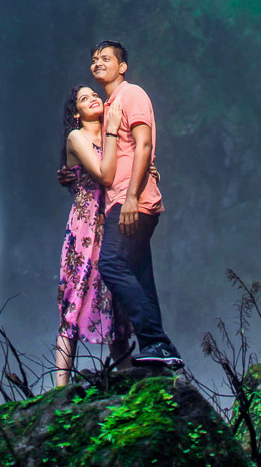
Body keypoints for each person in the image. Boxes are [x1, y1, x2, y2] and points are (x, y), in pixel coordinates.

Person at [89, 40, 181, 369]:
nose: (98, 63)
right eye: (94, 60)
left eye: (106, 58)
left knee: (111, 264)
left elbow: (144, 145)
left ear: (122, 66)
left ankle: (156, 340)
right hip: (124, 199)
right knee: (141, 276)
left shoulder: (132, 94)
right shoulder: (109, 106)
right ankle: (160, 353)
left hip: (132, 201)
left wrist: (130, 197)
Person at [54, 84, 117, 386]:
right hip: (85, 228)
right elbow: (104, 174)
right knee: (75, 297)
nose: (93, 98)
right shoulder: (76, 137)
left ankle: (129, 376)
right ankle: (59, 391)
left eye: (94, 95)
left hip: (111, 224)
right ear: (76, 113)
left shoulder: (112, 134)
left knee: (115, 299)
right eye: (84, 98)